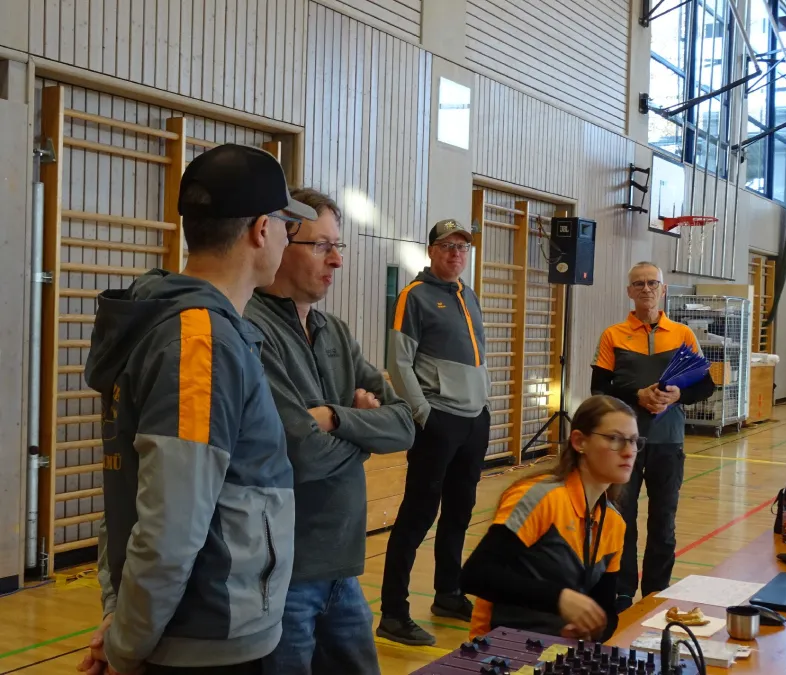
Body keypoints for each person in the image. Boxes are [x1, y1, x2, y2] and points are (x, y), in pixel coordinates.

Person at [78, 144, 317, 675]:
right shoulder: (199, 342)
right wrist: (125, 646)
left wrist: (122, 624)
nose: (286, 237)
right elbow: (170, 524)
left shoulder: (185, 326)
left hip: (192, 630)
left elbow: (131, 495)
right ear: (261, 230)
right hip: (208, 636)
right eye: (286, 224)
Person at [242, 188, 415, 675]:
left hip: (343, 571)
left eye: (338, 246)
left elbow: (405, 425)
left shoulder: (335, 331)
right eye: (321, 246)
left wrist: (337, 418)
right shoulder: (250, 329)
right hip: (282, 575)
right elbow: (303, 454)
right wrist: (365, 433)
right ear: (278, 241)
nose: (337, 259)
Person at [377, 219, 492, 646]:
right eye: (447, 246)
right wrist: (423, 414)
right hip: (438, 421)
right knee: (417, 516)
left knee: (460, 512)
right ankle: (393, 613)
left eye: (462, 247)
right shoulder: (414, 296)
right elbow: (398, 361)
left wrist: (484, 403)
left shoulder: (468, 294)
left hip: (474, 420)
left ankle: (448, 594)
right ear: (431, 251)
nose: (456, 253)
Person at [460, 395, 639, 642]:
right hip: (499, 647)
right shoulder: (540, 498)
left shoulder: (614, 523)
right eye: (615, 439)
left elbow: (605, 610)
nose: (629, 452)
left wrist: (592, 629)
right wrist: (559, 598)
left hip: (559, 649)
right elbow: (475, 575)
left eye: (633, 441)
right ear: (579, 441)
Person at [590, 261, 715, 613]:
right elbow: (599, 389)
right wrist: (637, 395)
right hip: (622, 445)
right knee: (621, 520)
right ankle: (621, 592)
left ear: (663, 289)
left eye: (652, 283)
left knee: (663, 522)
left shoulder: (683, 335)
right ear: (629, 291)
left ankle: (657, 591)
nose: (646, 289)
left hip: (668, 442)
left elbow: (706, 385)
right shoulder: (613, 335)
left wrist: (678, 396)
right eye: (639, 284)